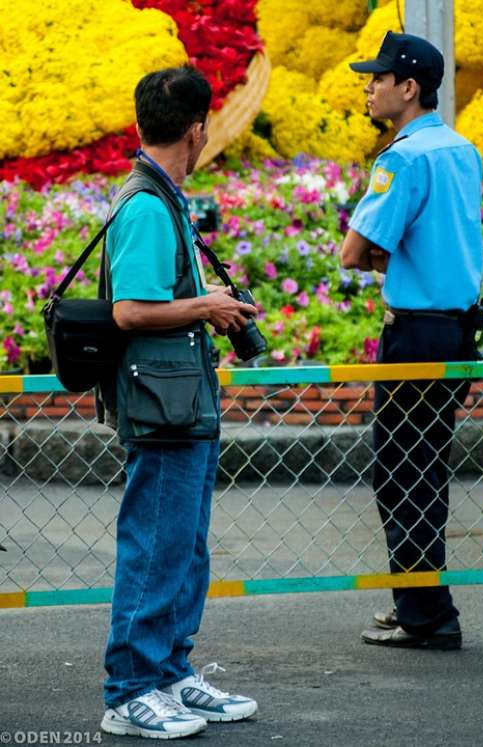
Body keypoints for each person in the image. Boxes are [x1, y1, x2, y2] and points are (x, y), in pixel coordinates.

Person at [99, 66, 258, 739]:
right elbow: (130, 310)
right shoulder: (145, 205)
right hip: (161, 406)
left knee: (184, 548)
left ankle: (170, 673)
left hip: (181, 401)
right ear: (198, 130)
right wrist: (210, 304)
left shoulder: (163, 197)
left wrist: (204, 310)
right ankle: (130, 689)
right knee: (156, 547)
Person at [340, 32, 483, 649]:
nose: (369, 87)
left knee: (399, 470)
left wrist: (385, 260)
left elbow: (353, 251)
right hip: (456, 329)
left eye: (378, 78)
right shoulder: (461, 150)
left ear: (409, 87)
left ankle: (427, 615)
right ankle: (421, 601)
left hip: (414, 336)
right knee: (425, 466)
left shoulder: (402, 157)